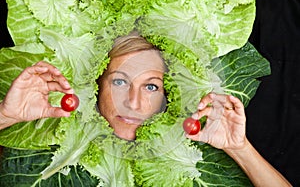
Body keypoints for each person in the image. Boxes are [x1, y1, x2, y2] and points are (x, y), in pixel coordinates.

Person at [0, 33, 292, 186]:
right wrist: (7, 115)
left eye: (151, 86)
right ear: (96, 84)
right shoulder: (59, 156)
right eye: (119, 81)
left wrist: (240, 148)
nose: (134, 103)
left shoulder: (190, 156)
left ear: (167, 95)